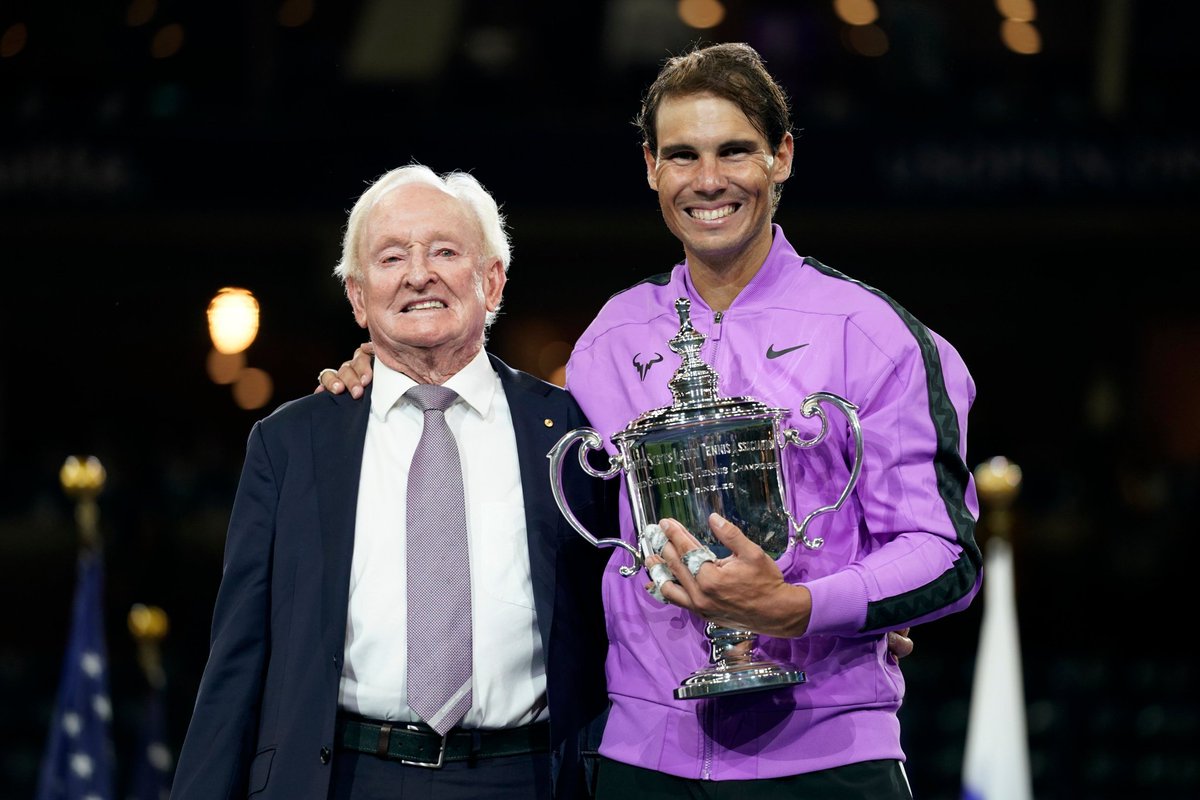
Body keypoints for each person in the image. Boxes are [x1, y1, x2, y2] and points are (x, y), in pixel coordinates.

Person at [321, 41, 974, 798]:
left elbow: (945, 552)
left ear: (782, 157)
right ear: (651, 168)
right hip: (640, 760)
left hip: (825, 758)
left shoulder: (875, 334)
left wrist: (802, 608)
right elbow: (544, 505)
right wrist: (390, 371)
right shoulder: (611, 338)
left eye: (735, 151)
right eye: (682, 155)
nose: (708, 180)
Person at [171, 164, 612, 800]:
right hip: (344, 778)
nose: (418, 274)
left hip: (530, 777)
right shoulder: (291, 443)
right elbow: (238, 654)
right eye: (391, 257)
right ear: (357, 297)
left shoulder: (568, 431)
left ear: (492, 280)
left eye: (444, 251)